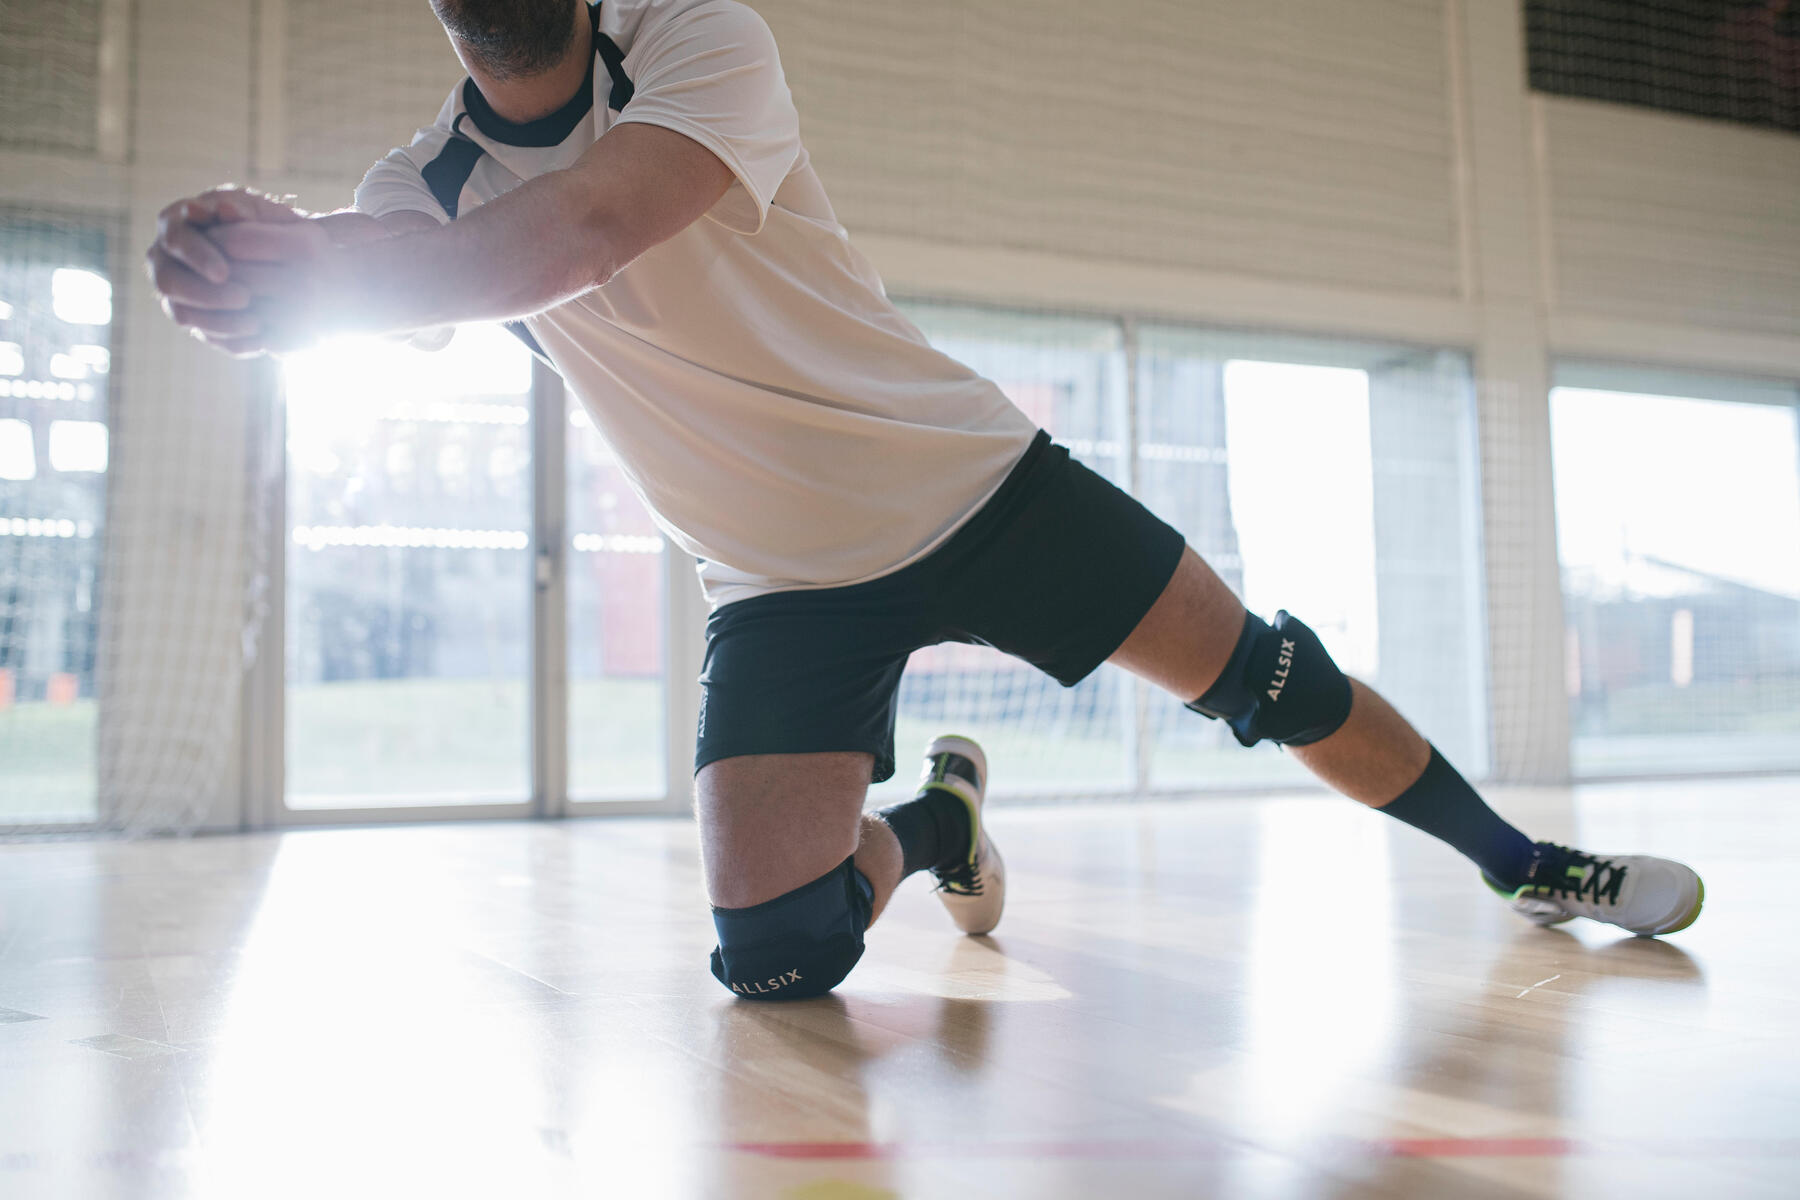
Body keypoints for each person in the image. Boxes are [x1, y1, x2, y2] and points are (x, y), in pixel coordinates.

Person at [145, 0, 1703, 1001]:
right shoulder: (409, 196)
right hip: (775, 581)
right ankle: (939, 817)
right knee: (778, 959)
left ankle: (1520, 861)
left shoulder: (697, 37)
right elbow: (391, 296)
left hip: (969, 481)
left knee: (1267, 681)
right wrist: (258, 269)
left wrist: (317, 262)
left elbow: (583, 231)